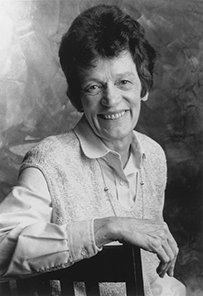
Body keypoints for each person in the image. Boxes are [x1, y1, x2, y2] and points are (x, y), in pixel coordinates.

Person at [0, 4, 186, 296]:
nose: (111, 100)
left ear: (144, 87)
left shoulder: (154, 156)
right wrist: (106, 228)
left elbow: (152, 278)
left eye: (124, 82)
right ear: (76, 98)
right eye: (93, 87)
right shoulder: (50, 161)